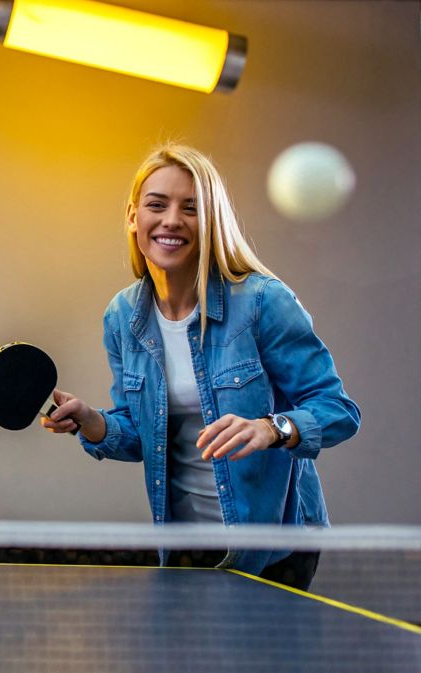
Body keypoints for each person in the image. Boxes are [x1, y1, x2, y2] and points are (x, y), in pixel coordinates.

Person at [42, 144, 360, 589]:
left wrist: (273, 428)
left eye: (190, 208)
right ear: (133, 216)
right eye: (157, 204)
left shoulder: (263, 302)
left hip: (271, 548)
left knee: (263, 661)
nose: (171, 219)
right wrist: (91, 421)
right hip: (185, 544)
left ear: (210, 221)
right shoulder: (122, 317)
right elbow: (142, 435)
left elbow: (340, 410)